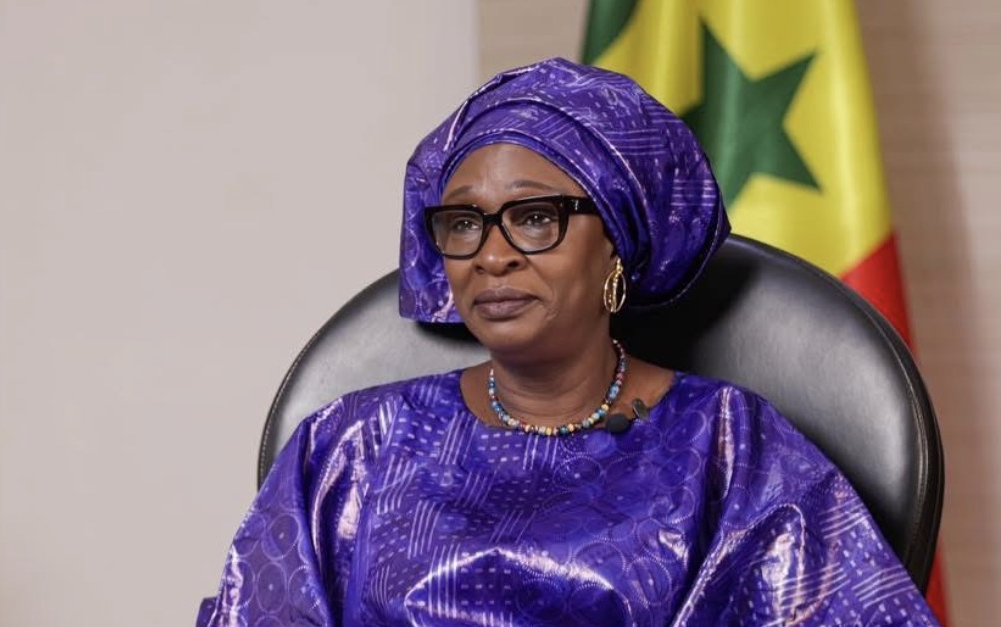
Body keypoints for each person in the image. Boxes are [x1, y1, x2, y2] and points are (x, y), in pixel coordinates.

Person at [197, 58, 937, 626]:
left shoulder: (730, 447)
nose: (492, 255)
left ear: (616, 240)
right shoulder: (350, 446)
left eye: (535, 217)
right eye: (464, 223)